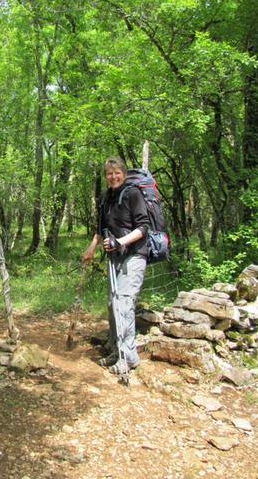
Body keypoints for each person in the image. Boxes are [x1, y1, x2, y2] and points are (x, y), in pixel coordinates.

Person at [81, 156, 150, 374]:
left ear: (124, 173)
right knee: (113, 304)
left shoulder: (133, 194)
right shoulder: (105, 198)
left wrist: (120, 241)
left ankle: (128, 357)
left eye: (117, 172)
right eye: (109, 173)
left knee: (123, 305)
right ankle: (117, 349)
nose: (113, 177)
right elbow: (100, 229)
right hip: (115, 258)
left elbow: (143, 228)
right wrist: (92, 248)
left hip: (134, 255)